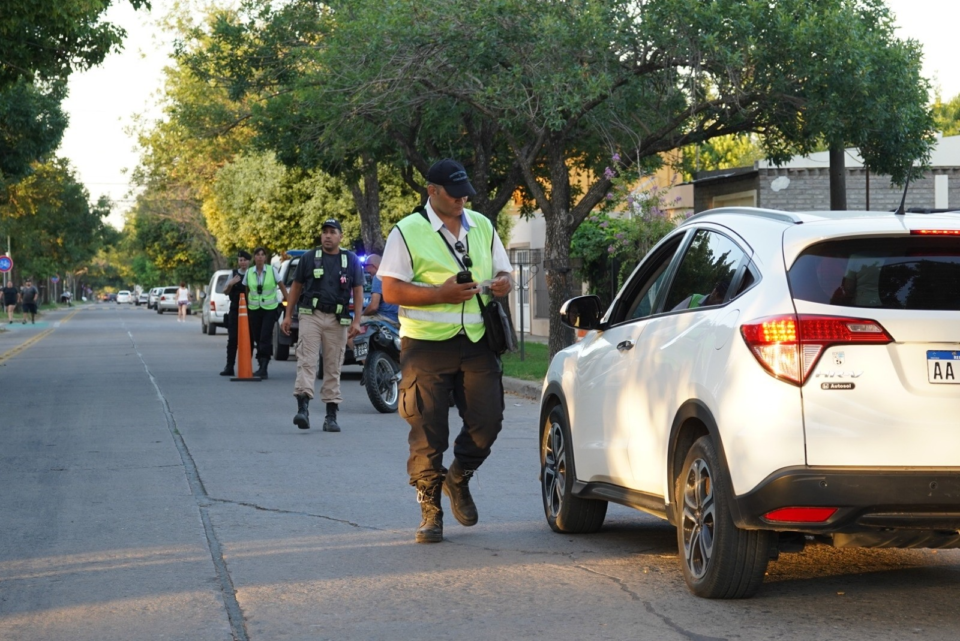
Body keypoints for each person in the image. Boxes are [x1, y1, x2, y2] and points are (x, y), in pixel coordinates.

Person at [380, 158, 513, 544]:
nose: (463, 199)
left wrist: (503, 283)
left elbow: (504, 271)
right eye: (454, 194)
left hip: (477, 342)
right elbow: (390, 290)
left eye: (465, 192)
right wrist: (440, 294)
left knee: (488, 423)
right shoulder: (407, 231)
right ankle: (430, 510)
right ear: (432, 191)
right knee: (427, 429)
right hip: (425, 346)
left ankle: (459, 477)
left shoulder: (483, 226)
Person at [281, 219, 364, 432]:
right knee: (307, 361)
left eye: (332, 232)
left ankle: (331, 416)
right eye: (324, 232)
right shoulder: (309, 258)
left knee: (333, 365)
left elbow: (358, 290)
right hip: (311, 315)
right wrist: (288, 316)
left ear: (340, 236)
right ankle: (303, 410)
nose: (327, 236)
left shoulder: (351, 260)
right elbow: (296, 287)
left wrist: (357, 320)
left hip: (338, 319)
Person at [244, 247, 288, 379]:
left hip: (269, 309)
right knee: (257, 337)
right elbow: (247, 289)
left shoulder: (271, 270)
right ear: (254, 257)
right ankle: (260, 363)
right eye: (257, 255)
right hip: (254, 309)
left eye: (262, 255)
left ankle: (264, 366)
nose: (260, 257)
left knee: (265, 337)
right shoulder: (249, 272)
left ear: (265, 257)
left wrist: (288, 301)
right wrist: (247, 305)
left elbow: (281, 286)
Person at [220, 250, 251, 376]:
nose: (242, 262)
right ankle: (229, 366)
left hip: (250, 311)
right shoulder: (233, 274)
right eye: (240, 260)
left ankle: (247, 366)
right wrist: (231, 284)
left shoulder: (252, 274)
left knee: (249, 340)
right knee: (232, 339)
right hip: (234, 310)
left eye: (244, 260)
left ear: (249, 261)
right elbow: (225, 291)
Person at [360, 254, 399, 326]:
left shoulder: (378, 277)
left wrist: (361, 314)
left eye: (366, 266)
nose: (365, 269)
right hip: (397, 319)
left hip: (384, 318)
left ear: (373, 265)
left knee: (352, 323)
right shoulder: (393, 276)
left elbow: (373, 307)